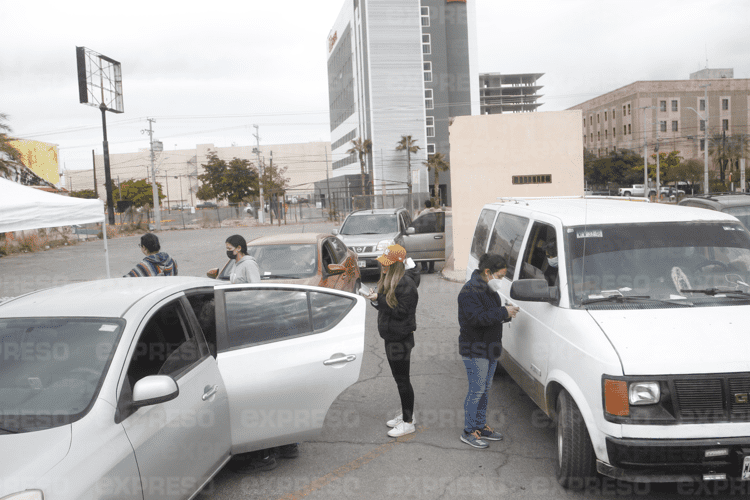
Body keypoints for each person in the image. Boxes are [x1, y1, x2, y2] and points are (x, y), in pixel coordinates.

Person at [457, 253, 519, 449]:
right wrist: (503, 312)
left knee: (484, 390)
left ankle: (480, 425)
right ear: (487, 272)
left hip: (490, 348)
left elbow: (490, 316)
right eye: (500, 276)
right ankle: (469, 431)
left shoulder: (488, 289)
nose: (501, 281)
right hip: (475, 349)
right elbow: (477, 318)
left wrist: (506, 313)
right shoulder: (469, 291)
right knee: (476, 391)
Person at [365, 244, 420, 438]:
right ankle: (407, 415)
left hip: (400, 340)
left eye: (387, 264)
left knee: (403, 381)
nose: (383, 266)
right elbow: (387, 306)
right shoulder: (391, 280)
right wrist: (376, 299)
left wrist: (378, 300)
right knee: (400, 380)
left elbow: (401, 312)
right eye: (382, 262)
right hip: (391, 337)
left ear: (397, 265)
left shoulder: (407, 284)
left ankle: (408, 422)